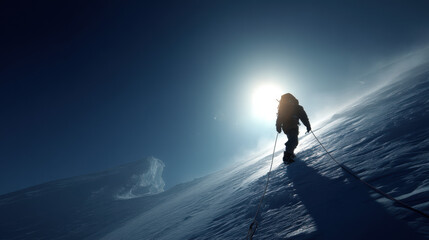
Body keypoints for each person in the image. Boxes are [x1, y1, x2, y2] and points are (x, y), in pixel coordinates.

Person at [276, 93, 311, 163]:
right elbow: (303, 117)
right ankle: (287, 156)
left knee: (293, 139)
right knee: (293, 140)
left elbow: (279, 118)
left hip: (289, 126)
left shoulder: (284, 108)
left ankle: (290, 153)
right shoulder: (297, 107)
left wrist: (278, 126)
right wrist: (307, 125)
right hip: (290, 126)